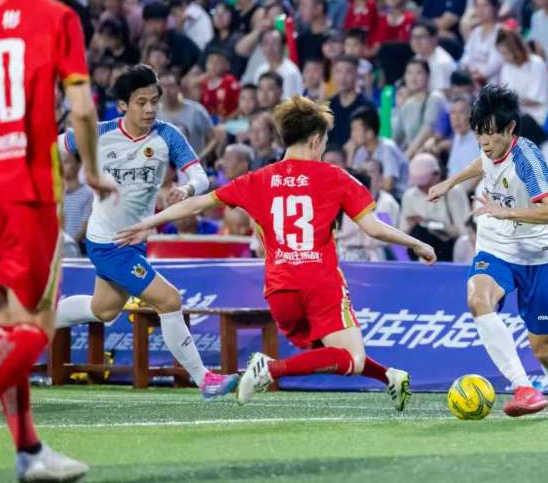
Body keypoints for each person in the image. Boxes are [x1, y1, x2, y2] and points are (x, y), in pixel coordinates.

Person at [117, 95, 436, 408]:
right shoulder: (335, 176)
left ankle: (390, 376)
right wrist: (417, 243)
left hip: (280, 291)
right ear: (315, 140)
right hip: (320, 283)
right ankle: (270, 369)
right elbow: (373, 228)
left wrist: (149, 223)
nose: (324, 150)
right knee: (351, 358)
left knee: (332, 350)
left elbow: (197, 204)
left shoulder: (257, 180)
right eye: (324, 143)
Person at [0, 0, 116, 480]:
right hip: (27, 187)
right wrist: (93, 170)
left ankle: (29, 451)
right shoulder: (57, 16)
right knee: (35, 327)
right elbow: (82, 108)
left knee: (8, 322)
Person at [54, 66, 238, 401]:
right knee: (169, 300)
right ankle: (205, 380)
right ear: (123, 105)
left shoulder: (168, 135)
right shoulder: (98, 133)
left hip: (136, 240)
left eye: (154, 101)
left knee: (104, 310)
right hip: (109, 243)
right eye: (141, 102)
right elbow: (55, 146)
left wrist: (187, 189)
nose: (150, 108)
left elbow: (200, 176)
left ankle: (38, 322)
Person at [427, 85, 548, 417]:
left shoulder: (528, 159)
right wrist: (450, 182)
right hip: (495, 247)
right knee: (477, 298)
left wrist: (506, 211)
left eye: (491, 134)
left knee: (544, 349)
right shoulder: (489, 145)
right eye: (479, 134)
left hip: (535, 257)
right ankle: (522, 387)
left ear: (510, 129)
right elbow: (483, 162)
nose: (484, 142)